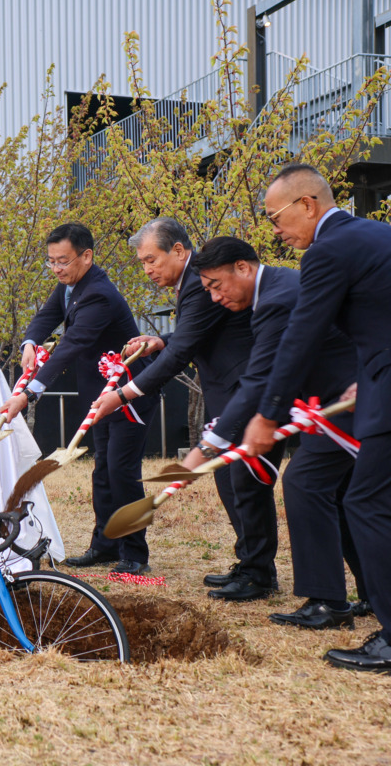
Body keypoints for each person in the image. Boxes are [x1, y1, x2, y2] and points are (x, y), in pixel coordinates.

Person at [242, 163, 391, 676]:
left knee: (368, 504)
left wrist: (267, 414)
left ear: (308, 205)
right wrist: (363, 379)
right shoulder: (384, 235)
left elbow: (301, 337)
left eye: (276, 218)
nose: (275, 231)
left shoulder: (327, 250)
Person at [87, 217, 281, 600]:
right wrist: (163, 340)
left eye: (151, 260)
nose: (147, 270)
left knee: (243, 482)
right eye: (143, 263)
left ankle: (259, 573)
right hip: (225, 389)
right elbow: (196, 332)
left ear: (178, 250)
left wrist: (124, 394)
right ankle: (251, 563)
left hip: (242, 387)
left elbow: (182, 353)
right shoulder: (194, 282)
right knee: (230, 482)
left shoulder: (198, 280)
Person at [184, 236, 367, 629]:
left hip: (350, 398)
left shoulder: (276, 300)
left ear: (243, 267)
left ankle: (329, 602)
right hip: (333, 398)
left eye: (216, 285)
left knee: (306, 484)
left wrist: (207, 446)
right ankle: (368, 593)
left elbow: (260, 377)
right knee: (338, 495)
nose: (214, 297)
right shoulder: (277, 287)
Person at [0, 222, 159, 574]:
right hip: (99, 395)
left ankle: (135, 554)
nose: (57, 269)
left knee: (122, 473)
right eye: (51, 261)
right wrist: (30, 343)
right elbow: (46, 316)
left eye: (63, 261)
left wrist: (29, 393)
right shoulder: (70, 285)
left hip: (127, 394)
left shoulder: (99, 294)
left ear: (86, 257)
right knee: (103, 471)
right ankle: (105, 546)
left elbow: (71, 346)